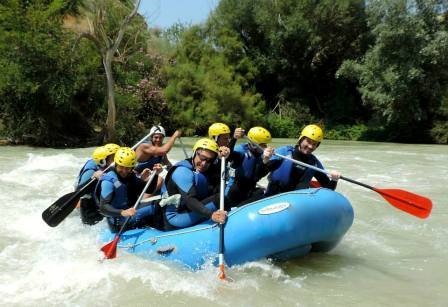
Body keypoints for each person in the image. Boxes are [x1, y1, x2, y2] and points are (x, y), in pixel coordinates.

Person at [162, 138, 229, 230]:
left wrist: (223, 157)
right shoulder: (182, 172)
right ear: (194, 152)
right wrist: (211, 215)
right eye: (202, 158)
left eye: (209, 160)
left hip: (193, 209)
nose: (204, 163)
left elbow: (220, 171)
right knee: (219, 199)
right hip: (176, 217)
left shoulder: (207, 167)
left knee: (222, 196)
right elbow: (190, 200)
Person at [97, 147, 163, 232]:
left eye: (127, 168)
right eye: (121, 167)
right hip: (118, 222)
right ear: (116, 164)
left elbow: (149, 190)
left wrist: (155, 174)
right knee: (157, 206)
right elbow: (103, 207)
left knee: (160, 202)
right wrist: (122, 212)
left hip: (130, 213)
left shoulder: (131, 176)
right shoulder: (108, 180)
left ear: (132, 167)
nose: (124, 171)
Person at [263, 124, 341, 196]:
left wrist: (334, 180)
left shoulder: (314, 163)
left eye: (314, 144)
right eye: (308, 141)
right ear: (301, 139)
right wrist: (266, 159)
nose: (310, 146)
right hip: (273, 196)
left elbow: (328, 189)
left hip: (297, 203)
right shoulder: (284, 152)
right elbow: (263, 170)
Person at [225, 127, 273, 207]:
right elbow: (229, 156)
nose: (265, 147)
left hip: (249, 191)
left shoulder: (263, 155)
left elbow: (257, 176)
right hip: (233, 191)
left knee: (261, 193)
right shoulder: (241, 150)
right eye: (263, 145)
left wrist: (265, 161)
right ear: (254, 143)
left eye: (265, 144)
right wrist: (234, 138)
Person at [77, 143, 120, 225]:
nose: (117, 160)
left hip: (102, 202)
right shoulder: (91, 171)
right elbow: (79, 191)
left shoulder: (111, 167)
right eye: (114, 157)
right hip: (90, 207)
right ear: (103, 161)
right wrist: (93, 177)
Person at [135, 125, 181, 193]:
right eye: (156, 137)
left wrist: (177, 172)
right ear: (151, 137)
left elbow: (167, 163)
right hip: (136, 176)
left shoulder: (160, 150)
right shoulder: (144, 146)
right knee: (160, 179)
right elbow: (164, 150)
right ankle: (145, 199)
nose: (158, 140)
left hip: (149, 176)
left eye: (161, 137)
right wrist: (175, 135)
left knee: (168, 176)